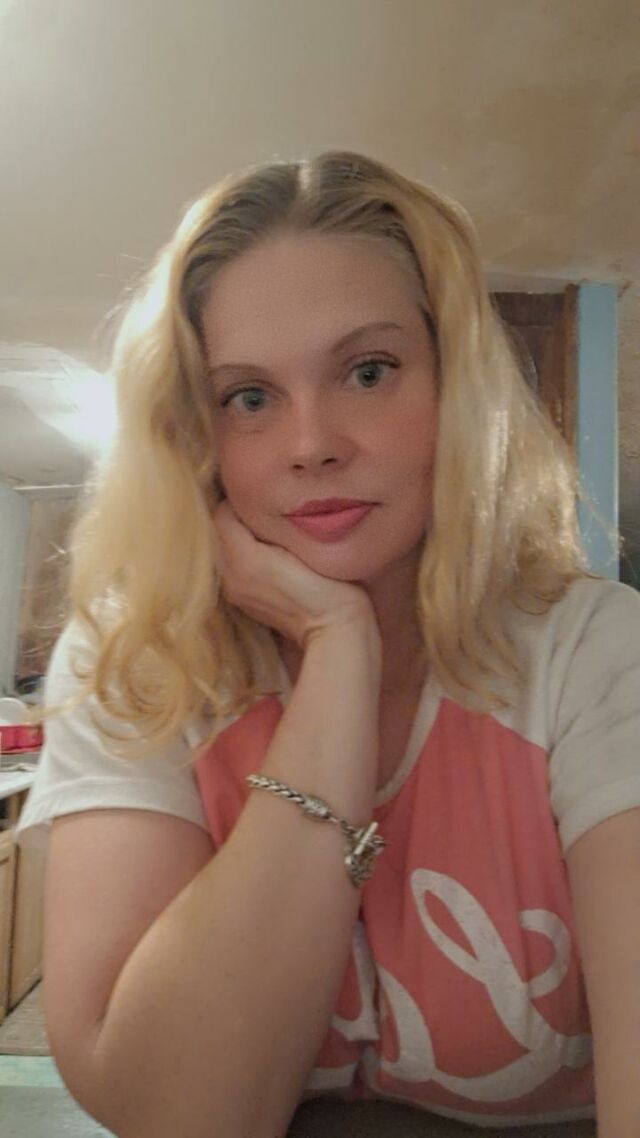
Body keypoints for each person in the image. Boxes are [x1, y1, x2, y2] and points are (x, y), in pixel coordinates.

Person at [13, 150, 640, 1138]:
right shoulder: (136, 660)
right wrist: (337, 649)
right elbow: (172, 1114)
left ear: (457, 388)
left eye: (368, 371)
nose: (311, 444)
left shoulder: (595, 654)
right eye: (249, 396)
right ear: (195, 433)